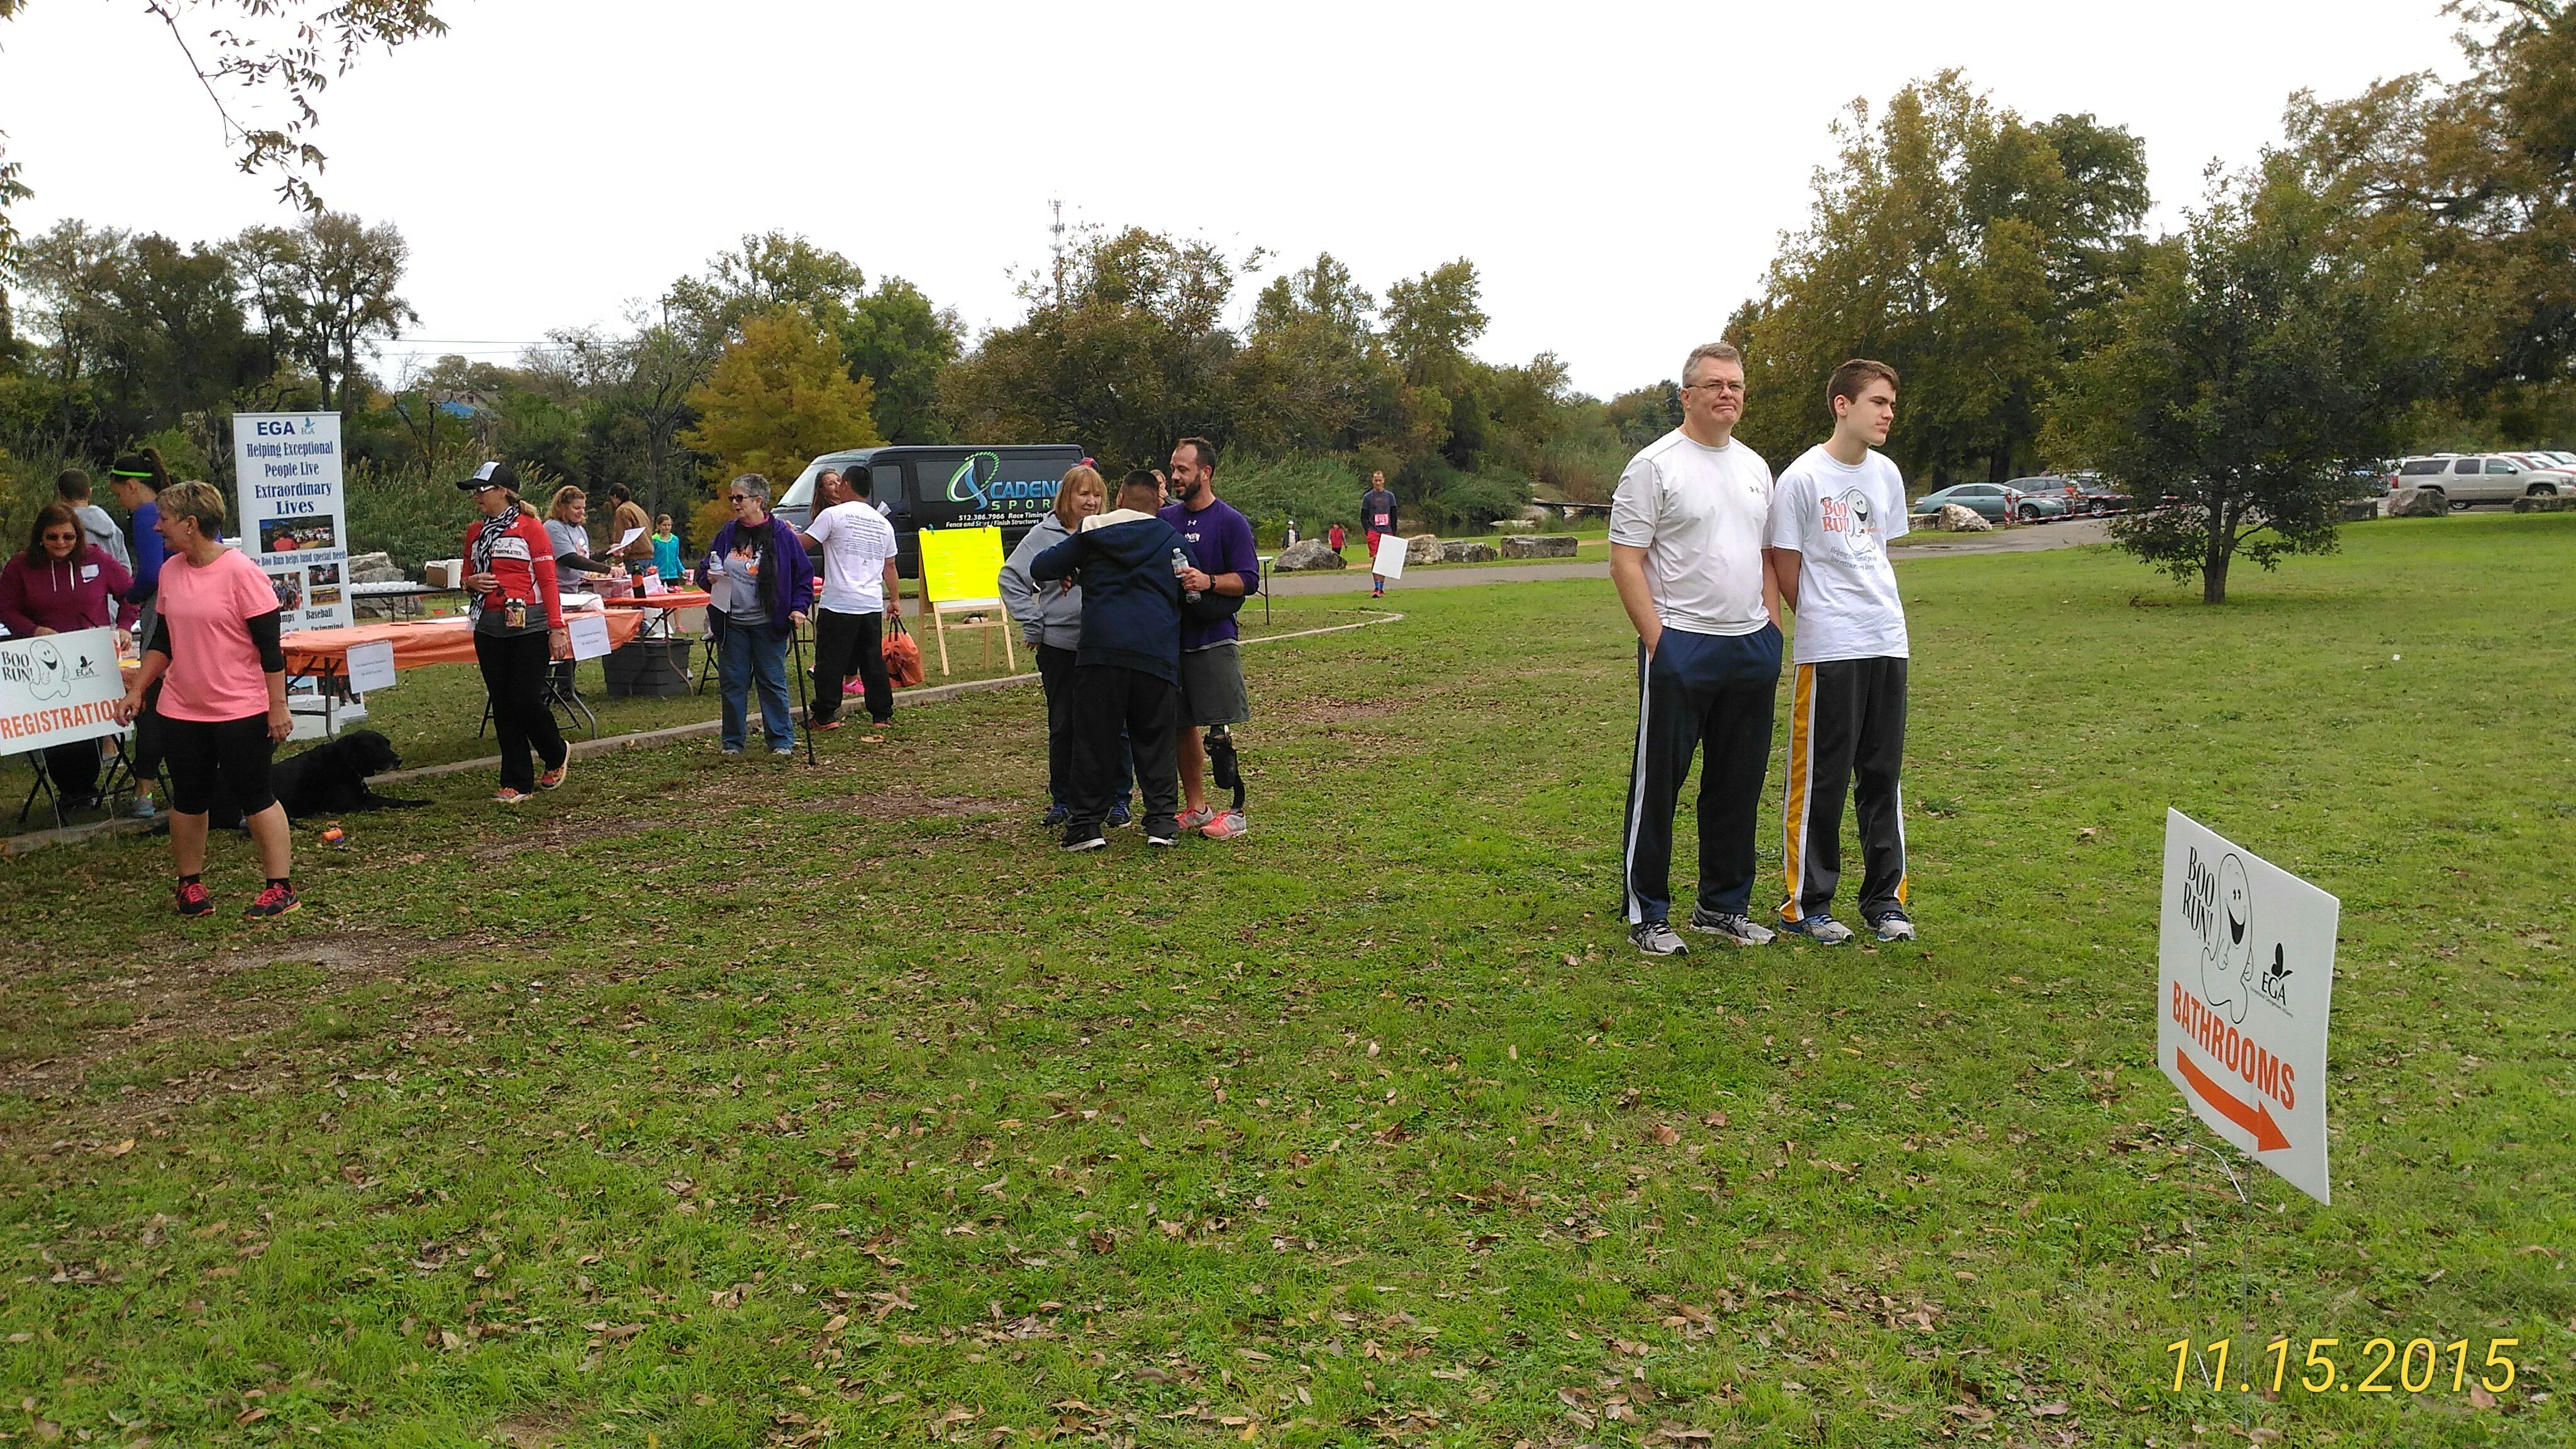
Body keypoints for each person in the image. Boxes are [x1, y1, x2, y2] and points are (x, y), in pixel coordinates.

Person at [1609, 341, 1782, 957]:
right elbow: (1625, 561)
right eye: (1714, 385)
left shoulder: (1755, 467)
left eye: (1735, 385)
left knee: (1737, 785)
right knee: (1659, 785)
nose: (1726, 394)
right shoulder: (1654, 466)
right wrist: (1660, 643)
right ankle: (1647, 913)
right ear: (1686, 396)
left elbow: (1764, 555)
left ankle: (1722, 906)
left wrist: (1772, 631)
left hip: (1749, 647)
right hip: (1681, 645)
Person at [1766, 358, 1915, 945]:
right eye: (1878, 402)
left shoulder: (1886, 474)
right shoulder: (1802, 478)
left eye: (1892, 404)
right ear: (1842, 405)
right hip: (1830, 647)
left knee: (1882, 775)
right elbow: (1784, 565)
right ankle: (1808, 905)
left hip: (1887, 638)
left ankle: (1885, 902)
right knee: (1821, 780)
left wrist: (1871, 614)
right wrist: (1825, 617)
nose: (1888, 414)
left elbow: (1879, 552)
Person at [111, 481, 298, 918]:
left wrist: (278, 706)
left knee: (255, 795)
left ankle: (280, 887)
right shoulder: (171, 572)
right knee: (189, 798)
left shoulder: (242, 573)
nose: (157, 527)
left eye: (165, 519)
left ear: (190, 524)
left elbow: (270, 650)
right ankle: (189, 885)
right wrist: (137, 689)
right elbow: (163, 641)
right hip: (181, 708)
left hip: (241, 708)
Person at [1029, 470, 1190, 850]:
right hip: (1154, 649)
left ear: (1118, 498)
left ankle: (1086, 826)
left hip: (1101, 650)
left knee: (1094, 740)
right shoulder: (1170, 537)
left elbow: (1041, 567)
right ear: (1158, 503)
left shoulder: (1092, 532)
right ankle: (1161, 823)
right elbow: (1189, 584)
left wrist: (1076, 568)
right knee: (1155, 738)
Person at [1002, 465, 1135, 827]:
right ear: (1066, 497)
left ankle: (1118, 798)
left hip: (1107, 643)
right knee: (1064, 725)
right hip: (1060, 645)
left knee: (1116, 724)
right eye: (1083, 494)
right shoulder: (1042, 535)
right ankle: (1063, 799)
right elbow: (1011, 578)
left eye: (1097, 494)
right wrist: (1034, 621)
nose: (1091, 501)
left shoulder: (1110, 530)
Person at [0, 502, 134, 808]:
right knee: (58, 727)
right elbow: (6, 608)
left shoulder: (97, 559)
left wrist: (125, 626)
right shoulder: (21, 566)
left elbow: (131, 594)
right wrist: (33, 630)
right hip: (42, 659)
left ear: (78, 537)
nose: (61, 544)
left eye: (68, 537)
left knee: (88, 723)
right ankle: (70, 788)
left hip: (91, 657)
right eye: (53, 537)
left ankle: (85, 786)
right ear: (40, 537)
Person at [455, 462, 574, 802]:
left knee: (525, 700)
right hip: (488, 626)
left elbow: (548, 581)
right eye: (474, 491)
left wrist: (557, 627)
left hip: (530, 627)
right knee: (503, 704)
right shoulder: (475, 532)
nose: (476, 497)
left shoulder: (531, 528)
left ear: (503, 492)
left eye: (482, 490)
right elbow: (465, 577)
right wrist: (470, 582)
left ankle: (555, 751)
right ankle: (517, 782)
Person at [1161, 437, 1259, 841]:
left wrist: (1209, 582)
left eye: (1183, 469)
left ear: (1205, 473)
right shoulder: (1165, 519)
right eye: (1173, 468)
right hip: (1172, 641)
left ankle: (1236, 810)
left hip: (1214, 638)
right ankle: (1197, 807)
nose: (1175, 476)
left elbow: (1248, 580)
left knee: (1220, 730)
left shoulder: (1230, 521)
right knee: (1180, 726)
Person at [707, 474, 814, 757]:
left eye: (739, 498)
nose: (734, 503)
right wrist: (709, 576)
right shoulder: (728, 533)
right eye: (732, 498)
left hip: (769, 623)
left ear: (758, 501)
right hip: (732, 623)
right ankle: (732, 742)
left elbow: (803, 575)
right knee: (733, 684)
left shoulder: (782, 535)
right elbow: (708, 566)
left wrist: (798, 608)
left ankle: (781, 740)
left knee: (772, 682)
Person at [795, 469, 900, 731]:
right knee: (872, 661)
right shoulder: (883, 523)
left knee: (830, 661)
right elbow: (890, 566)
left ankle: (825, 714)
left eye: (840, 482)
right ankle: (881, 715)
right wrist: (895, 600)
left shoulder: (833, 515)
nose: (838, 487)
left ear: (847, 484)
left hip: (839, 601)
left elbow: (804, 543)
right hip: (871, 602)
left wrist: (783, 532)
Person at [105, 450, 170, 818]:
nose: (121, 504)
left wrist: (129, 597)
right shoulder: (184, 505)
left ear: (131, 486)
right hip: (200, 609)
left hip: (161, 610)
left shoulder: (147, 513)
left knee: (153, 698)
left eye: (119, 495)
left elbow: (151, 573)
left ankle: (143, 789)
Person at [56, 469, 131, 570]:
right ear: (90, 492)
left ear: (60, 495)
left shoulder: (62, 531)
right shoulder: (113, 528)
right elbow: (126, 569)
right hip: (113, 579)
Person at [544, 487, 618, 581]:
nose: (582, 512)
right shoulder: (553, 527)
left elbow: (586, 558)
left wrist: (609, 552)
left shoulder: (580, 529)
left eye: (583, 508)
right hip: (561, 587)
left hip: (580, 584)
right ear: (563, 508)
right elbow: (570, 559)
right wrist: (607, 570)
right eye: (577, 508)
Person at [1360, 470, 1399, 598]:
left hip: (1387, 531)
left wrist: (1394, 532)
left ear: (1384, 480)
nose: (1378, 483)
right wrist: (1367, 531)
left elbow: (1394, 515)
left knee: (1384, 561)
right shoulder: (1368, 497)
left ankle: (1381, 588)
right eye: (1376, 480)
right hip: (1374, 531)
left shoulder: (1390, 496)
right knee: (1376, 558)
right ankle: (1376, 587)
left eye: (1380, 480)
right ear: (1373, 481)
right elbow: (1363, 516)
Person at [606, 483, 653, 577]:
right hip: (648, 556)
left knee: (633, 585)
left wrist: (619, 560)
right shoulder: (637, 509)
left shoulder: (622, 510)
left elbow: (623, 536)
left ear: (615, 496)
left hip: (635, 558)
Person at [651, 514, 683, 582]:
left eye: (669, 525)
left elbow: (676, 558)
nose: (667, 528)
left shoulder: (675, 540)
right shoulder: (654, 540)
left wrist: (683, 570)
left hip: (673, 576)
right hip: (658, 576)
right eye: (664, 525)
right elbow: (651, 558)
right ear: (658, 526)